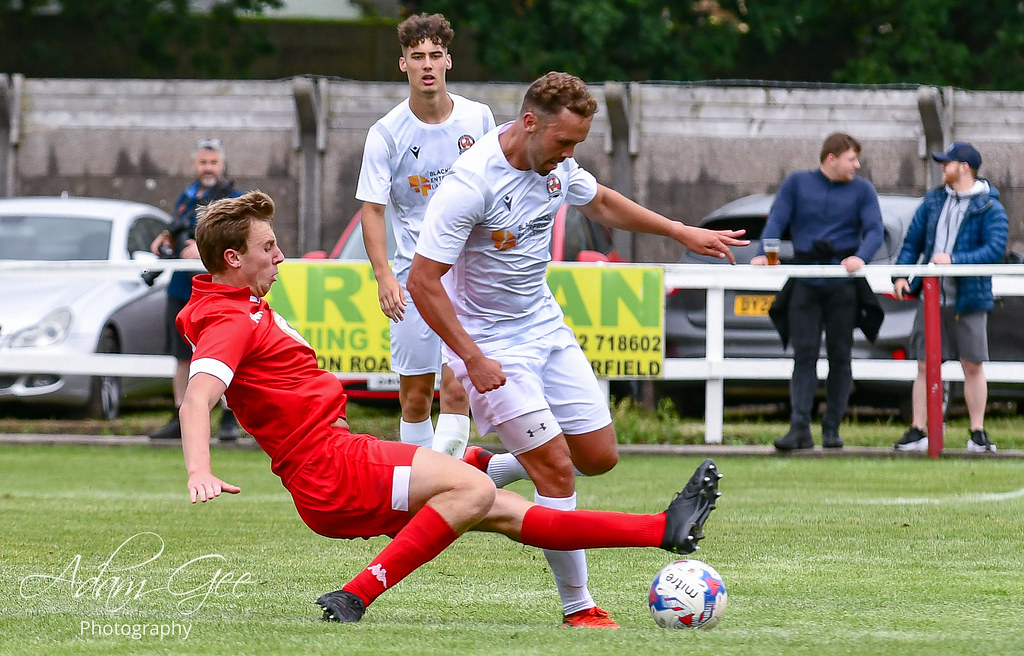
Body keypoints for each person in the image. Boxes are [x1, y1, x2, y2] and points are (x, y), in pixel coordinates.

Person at [176, 190, 723, 626]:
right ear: (234, 258)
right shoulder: (230, 320)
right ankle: (355, 595)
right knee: (476, 487)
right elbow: (198, 396)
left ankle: (663, 529)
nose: (280, 256)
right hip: (333, 468)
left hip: (333, 468)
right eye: (268, 247)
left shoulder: (234, 308)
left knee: (508, 512)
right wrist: (199, 469)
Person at [406, 71, 745, 628]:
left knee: (599, 458)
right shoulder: (471, 184)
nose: (569, 156)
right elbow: (423, 281)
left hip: (545, 329)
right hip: (492, 347)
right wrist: (471, 358)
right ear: (530, 122)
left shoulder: (556, 167)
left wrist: (682, 232)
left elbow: (605, 203)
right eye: (564, 143)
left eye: (577, 146)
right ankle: (578, 606)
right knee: (558, 473)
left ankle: (488, 467)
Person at [356, 13, 520, 479]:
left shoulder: (478, 118)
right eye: (416, 57)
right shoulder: (386, 133)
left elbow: (498, 185)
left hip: (468, 276)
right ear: (402, 64)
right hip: (413, 277)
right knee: (414, 396)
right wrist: (385, 275)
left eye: (434, 56)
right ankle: (420, 485)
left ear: (448, 60)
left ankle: (443, 488)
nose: (426, 65)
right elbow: (372, 208)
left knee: (457, 388)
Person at [754, 132, 884, 451]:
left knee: (841, 356)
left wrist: (860, 258)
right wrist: (763, 251)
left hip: (842, 283)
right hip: (805, 279)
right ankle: (799, 428)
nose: (857, 165)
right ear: (832, 158)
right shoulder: (797, 184)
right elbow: (776, 221)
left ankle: (832, 430)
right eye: (852, 159)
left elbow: (875, 230)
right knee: (804, 356)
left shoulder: (863, 190)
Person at [892, 142, 1008, 453]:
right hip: (930, 297)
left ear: (965, 167)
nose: (943, 167)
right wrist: (900, 274)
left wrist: (954, 260)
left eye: (948, 163)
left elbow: (994, 250)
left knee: (972, 364)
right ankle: (919, 429)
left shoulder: (990, 207)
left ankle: (978, 432)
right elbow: (911, 242)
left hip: (969, 297)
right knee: (924, 364)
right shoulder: (932, 201)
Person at [149, 137, 243, 442]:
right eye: (203, 162)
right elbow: (180, 228)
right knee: (181, 356)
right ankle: (180, 417)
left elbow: (239, 241)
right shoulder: (186, 197)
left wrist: (202, 251)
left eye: (213, 162)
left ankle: (230, 417)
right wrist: (166, 239)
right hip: (181, 287)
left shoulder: (233, 198)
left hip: (217, 289)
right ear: (194, 164)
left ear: (222, 164)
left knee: (224, 354)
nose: (208, 168)